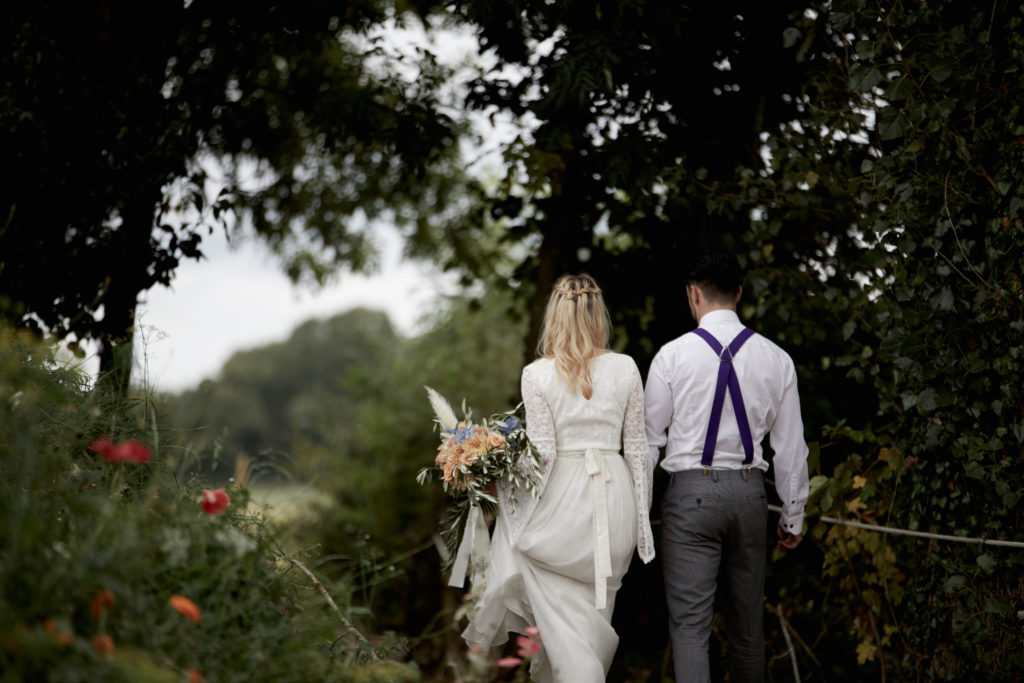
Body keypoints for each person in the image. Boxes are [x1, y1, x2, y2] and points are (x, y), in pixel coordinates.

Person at [463, 274, 655, 682]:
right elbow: (638, 450)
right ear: (597, 314)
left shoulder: (536, 375)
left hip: (564, 502)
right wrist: (641, 524)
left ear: (554, 316)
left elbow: (544, 455)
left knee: (552, 599)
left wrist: (505, 493)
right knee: (594, 615)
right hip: (614, 496)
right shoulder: (626, 367)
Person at [644, 250, 809, 683]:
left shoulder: (670, 357)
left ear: (693, 295)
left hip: (689, 500)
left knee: (690, 630)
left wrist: (639, 512)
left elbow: (648, 441)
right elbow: (790, 447)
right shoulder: (777, 359)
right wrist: (793, 515)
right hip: (751, 497)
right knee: (748, 632)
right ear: (738, 293)